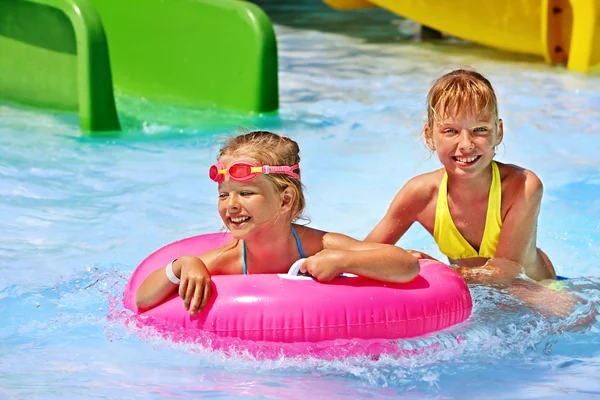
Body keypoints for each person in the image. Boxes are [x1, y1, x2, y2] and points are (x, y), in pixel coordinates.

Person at [365, 68, 579, 316]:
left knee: (570, 312)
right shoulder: (421, 194)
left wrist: (428, 267)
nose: (466, 144)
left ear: (498, 132)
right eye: (450, 131)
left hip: (535, 293)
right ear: (429, 136)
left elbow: (505, 273)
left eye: (480, 130)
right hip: (477, 293)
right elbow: (366, 250)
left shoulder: (523, 186)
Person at [136, 131, 420, 315]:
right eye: (223, 195)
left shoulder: (321, 246)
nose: (231, 204)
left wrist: (343, 261)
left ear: (285, 200)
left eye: (246, 193)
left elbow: (407, 266)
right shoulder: (229, 260)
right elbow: (143, 299)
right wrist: (183, 264)